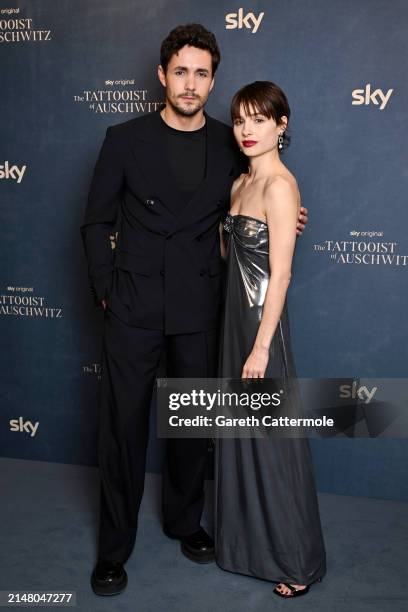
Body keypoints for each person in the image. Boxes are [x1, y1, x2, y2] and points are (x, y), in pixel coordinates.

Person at [81, 24, 309, 596]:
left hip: (199, 309)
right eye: (179, 71)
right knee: (123, 432)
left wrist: (287, 219)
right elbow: (95, 222)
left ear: (212, 80)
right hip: (132, 308)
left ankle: (186, 522)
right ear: (162, 76)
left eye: (201, 73)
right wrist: (108, 290)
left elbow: (256, 197)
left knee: (190, 429)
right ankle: (113, 549)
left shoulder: (228, 142)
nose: (189, 83)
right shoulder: (123, 139)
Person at [214, 81, 326, 598]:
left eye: (259, 120)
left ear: (282, 125)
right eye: (239, 120)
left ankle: (297, 561)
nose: (246, 131)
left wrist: (261, 346)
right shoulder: (239, 184)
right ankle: (248, 549)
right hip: (232, 319)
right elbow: (231, 259)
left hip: (262, 324)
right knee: (242, 436)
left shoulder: (281, 186)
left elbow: (279, 277)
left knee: (274, 442)